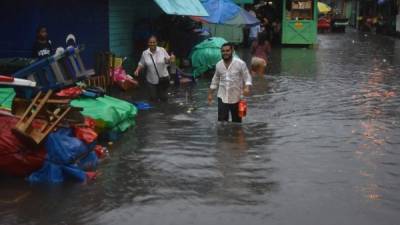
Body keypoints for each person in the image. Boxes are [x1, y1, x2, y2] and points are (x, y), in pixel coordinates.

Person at [207, 43, 252, 123]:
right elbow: (215, 80)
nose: (225, 53)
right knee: (222, 122)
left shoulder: (240, 63)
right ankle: (223, 135)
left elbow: (247, 77)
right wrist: (210, 94)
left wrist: (247, 87)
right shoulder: (218, 65)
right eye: (223, 51)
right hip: (222, 97)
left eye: (227, 51)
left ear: (232, 51)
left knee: (237, 122)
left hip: (237, 97)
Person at [134, 35, 175, 102]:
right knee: (153, 98)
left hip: (163, 79)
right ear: (148, 43)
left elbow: (167, 61)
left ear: (156, 43)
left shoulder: (162, 50)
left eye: (154, 42)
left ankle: (163, 111)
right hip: (151, 80)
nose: (152, 44)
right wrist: (137, 70)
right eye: (150, 42)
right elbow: (141, 63)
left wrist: (171, 59)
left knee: (164, 98)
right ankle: (155, 111)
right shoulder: (145, 53)